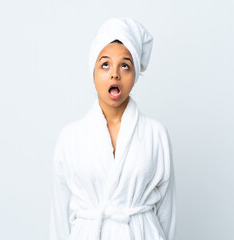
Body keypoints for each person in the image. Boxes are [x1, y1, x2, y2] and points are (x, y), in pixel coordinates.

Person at [49, 17, 176, 240]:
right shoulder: (71, 138)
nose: (114, 74)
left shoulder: (155, 134)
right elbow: (59, 217)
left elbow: (167, 214)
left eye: (125, 65)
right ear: (94, 71)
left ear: (134, 75)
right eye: (105, 64)